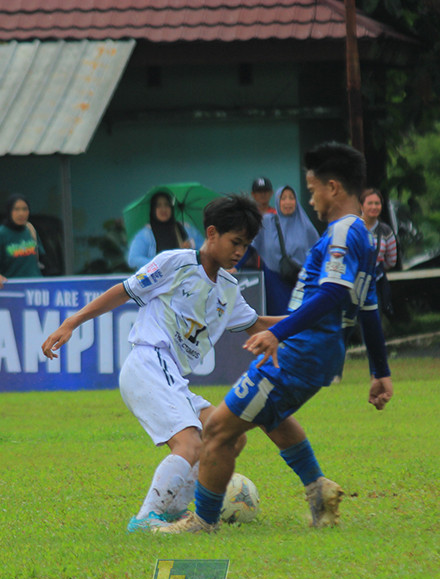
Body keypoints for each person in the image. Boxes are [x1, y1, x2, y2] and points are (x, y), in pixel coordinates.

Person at [157, 141, 393, 535]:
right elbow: (366, 307)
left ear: (333, 188)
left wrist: (277, 334)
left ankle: (203, 521)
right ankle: (319, 491)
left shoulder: (342, 231)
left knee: (216, 429)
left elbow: (333, 293)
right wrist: (380, 370)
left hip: (301, 350)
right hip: (319, 350)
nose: (310, 197)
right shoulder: (364, 238)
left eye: (313, 187)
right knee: (270, 416)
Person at [42, 195, 279, 532]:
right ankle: (145, 518)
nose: (240, 251)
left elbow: (258, 324)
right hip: (148, 362)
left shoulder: (228, 288)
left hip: (171, 375)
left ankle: (171, 512)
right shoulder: (175, 263)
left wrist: (311, 317)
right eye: (235, 241)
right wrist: (71, 323)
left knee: (229, 436)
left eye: (246, 244)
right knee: (191, 443)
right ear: (211, 233)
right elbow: (124, 291)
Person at [250, 185, 320, 315]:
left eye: (291, 198)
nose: (288, 202)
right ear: (277, 201)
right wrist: (236, 267)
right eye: (283, 198)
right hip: (274, 282)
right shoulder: (267, 222)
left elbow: (318, 254)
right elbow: (251, 246)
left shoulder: (306, 226)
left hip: (299, 283)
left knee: (298, 319)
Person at [126, 191, 204, 269]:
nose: (163, 209)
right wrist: (159, 264)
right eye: (158, 205)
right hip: (159, 278)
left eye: (167, 204)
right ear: (153, 209)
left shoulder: (186, 228)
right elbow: (133, 259)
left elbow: (204, 249)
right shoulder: (146, 234)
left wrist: (192, 245)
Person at [0, 193, 44, 287]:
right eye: (16, 209)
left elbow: (42, 258)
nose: (21, 213)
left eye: (24, 209)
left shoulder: (30, 229)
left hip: (36, 287)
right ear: (9, 211)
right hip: (13, 287)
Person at [360, 188, 398, 319]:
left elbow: (391, 260)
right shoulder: (353, 228)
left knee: (375, 319)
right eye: (370, 203)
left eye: (377, 203)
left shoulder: (386, 231)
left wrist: (378, 269)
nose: (374, 207)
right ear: (361, 205)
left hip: (376, 283)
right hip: (353, 283)